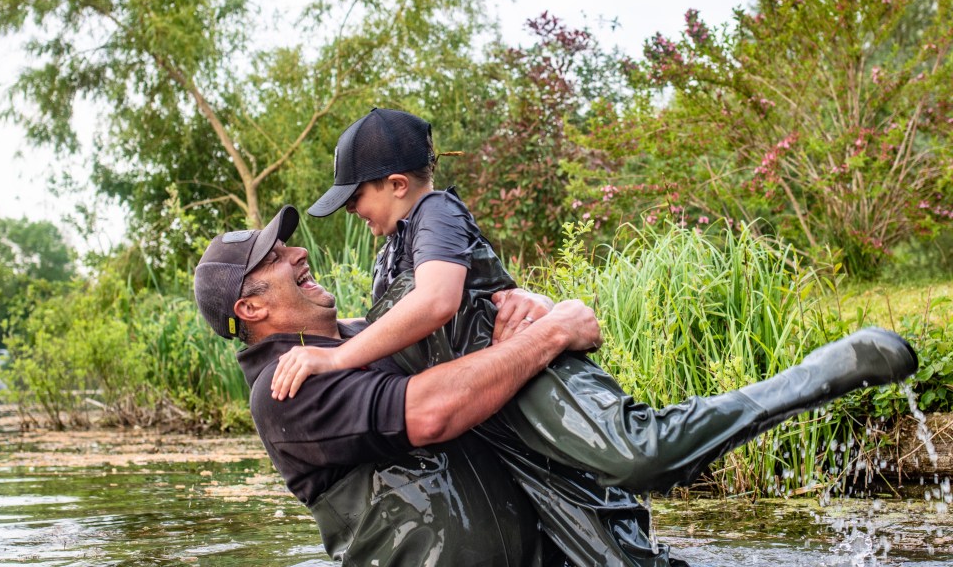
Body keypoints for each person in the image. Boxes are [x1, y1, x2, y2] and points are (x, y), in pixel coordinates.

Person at [193, 205, 918, 566]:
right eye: (275, 257)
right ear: (250, 309)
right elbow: (437, 410)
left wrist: (527, 302)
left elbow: (448, 318)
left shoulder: (355, 339)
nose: (296, 251)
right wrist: (554, 332)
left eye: (286, 241)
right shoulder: (288, 391)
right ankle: (814, 376)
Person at [271, 108, 521, 397]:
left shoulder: (437, 210)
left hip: (517, 391)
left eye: (355, 197)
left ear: (397, 185)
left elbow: (437, 300)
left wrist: (336, 358)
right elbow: (391, 326)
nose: (350, 209)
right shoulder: (395, 244)